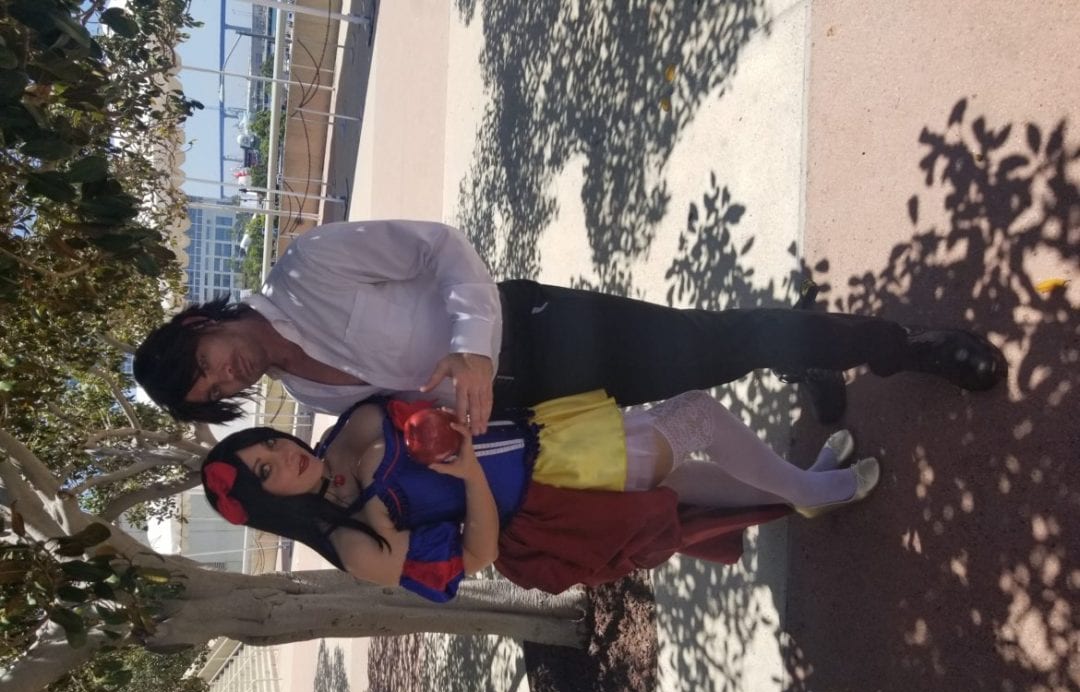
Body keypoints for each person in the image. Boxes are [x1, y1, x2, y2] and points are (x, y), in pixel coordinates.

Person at [135, 220, 1005, 432]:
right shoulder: (309, 396)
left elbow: (443, 247)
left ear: (199, 324)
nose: (223, 378)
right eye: (210, 393)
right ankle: (794, 357)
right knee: (697, 365)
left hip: (535, 327)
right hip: (530, 399)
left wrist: (471, 347)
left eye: (203, 363)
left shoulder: (306, 268)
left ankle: (900, 348)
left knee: (716, 336)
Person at [201, 389, 879, 601]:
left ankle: (802, 487)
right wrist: (468, 474)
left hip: (548, 438)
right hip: (552, 496)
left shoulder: (342, 430)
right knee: (697, 417)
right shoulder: (355, 543)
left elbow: (441, 401)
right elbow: (475, 557)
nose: (282, 456)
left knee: (679, 485)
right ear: (273, 504)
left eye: (266, 446)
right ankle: (811, 488)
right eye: (266, 473)